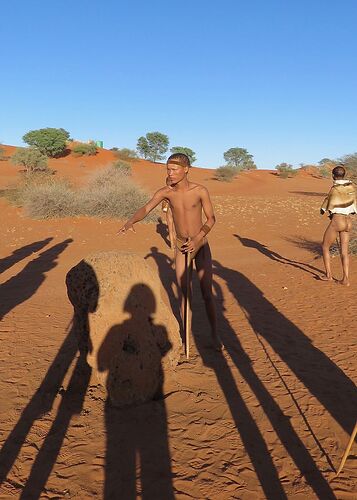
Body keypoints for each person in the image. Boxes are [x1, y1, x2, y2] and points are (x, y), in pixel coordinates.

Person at [118, 153, 221, 350]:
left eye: (174, 169)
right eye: (168, 169)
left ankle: (215, 335)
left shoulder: (200, 191)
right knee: (184, 293)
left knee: (207, 292)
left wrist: (198, 238)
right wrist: (131, 220)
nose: (170, 173)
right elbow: (146, 208)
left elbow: (211, 219)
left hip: (200, 245)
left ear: (186, 169)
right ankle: (185, 339)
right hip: (182, 246)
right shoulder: (166, 192)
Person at [320, 165, 357, 285]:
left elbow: (327, 204)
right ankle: (345, 279)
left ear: (333, 175)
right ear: (344, 175)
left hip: (338, 221)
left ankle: (328, 275)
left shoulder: (334, 189)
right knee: (344, 251)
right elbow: (353, 204)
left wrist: (324, 209)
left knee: (325, 246)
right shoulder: (351, 187)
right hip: (348, 222)